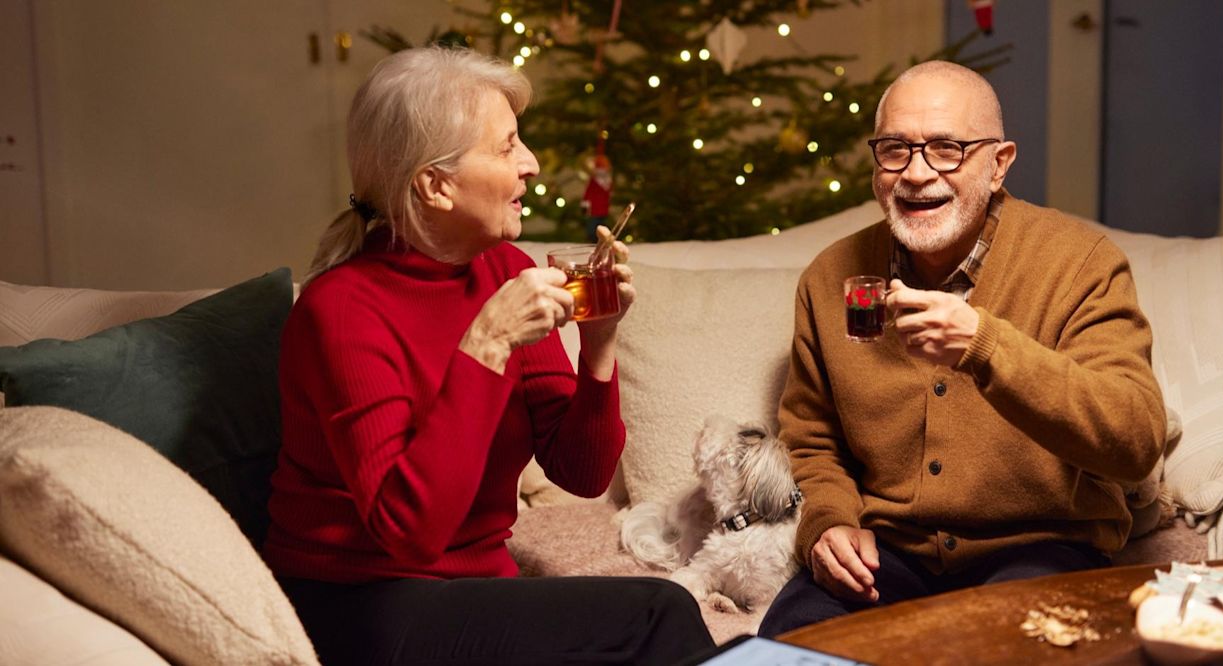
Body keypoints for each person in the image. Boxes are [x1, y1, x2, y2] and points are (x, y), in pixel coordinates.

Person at [263, 47, 715, 665]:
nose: (530, 165)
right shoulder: (340, 309)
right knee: (659, 613)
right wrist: (487, 343)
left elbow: (579, 473)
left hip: (473, 593)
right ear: (435, 184)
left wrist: (601, 341)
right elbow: (409, 536)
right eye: (506, 147)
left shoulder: (504, 270)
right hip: (358, 603)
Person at [757, 60, 1168, 637]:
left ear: (999, 165)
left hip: (1038, 551)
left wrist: (985, 345)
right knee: (787, 650)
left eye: (947, 148)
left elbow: (1135, 440)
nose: (917, 174)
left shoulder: (1082, 264)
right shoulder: (830, 279)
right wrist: (827, 523)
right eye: (895, 149)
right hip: (887, 555)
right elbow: (812, 437)